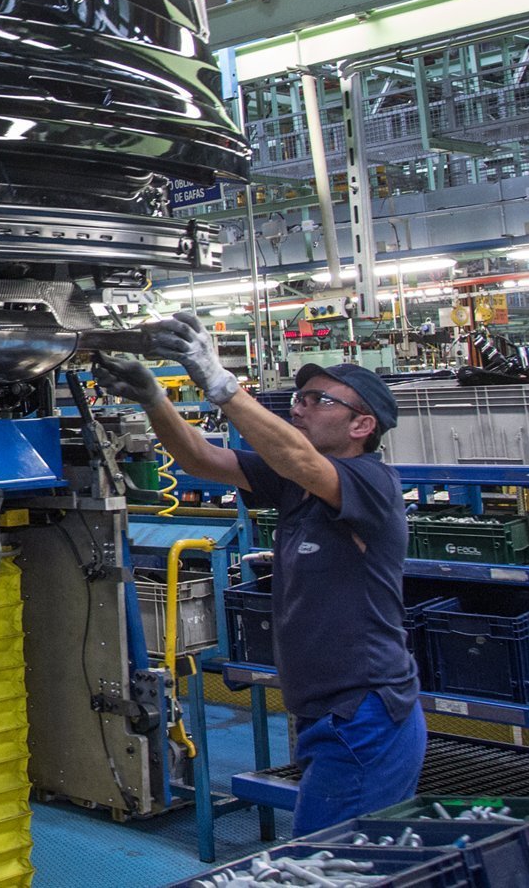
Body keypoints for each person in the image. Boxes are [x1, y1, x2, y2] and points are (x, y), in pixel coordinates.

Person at [97, 312, 423, 834]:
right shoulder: (298, 483)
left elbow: (298, 458)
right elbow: (201, 458)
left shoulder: (371, 482)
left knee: (332, 858)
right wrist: (153, 399)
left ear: (362, 426)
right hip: (326, 714)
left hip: (365, 715)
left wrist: (221, 384)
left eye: (320, 401)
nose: (300, 406)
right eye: (300, 397)